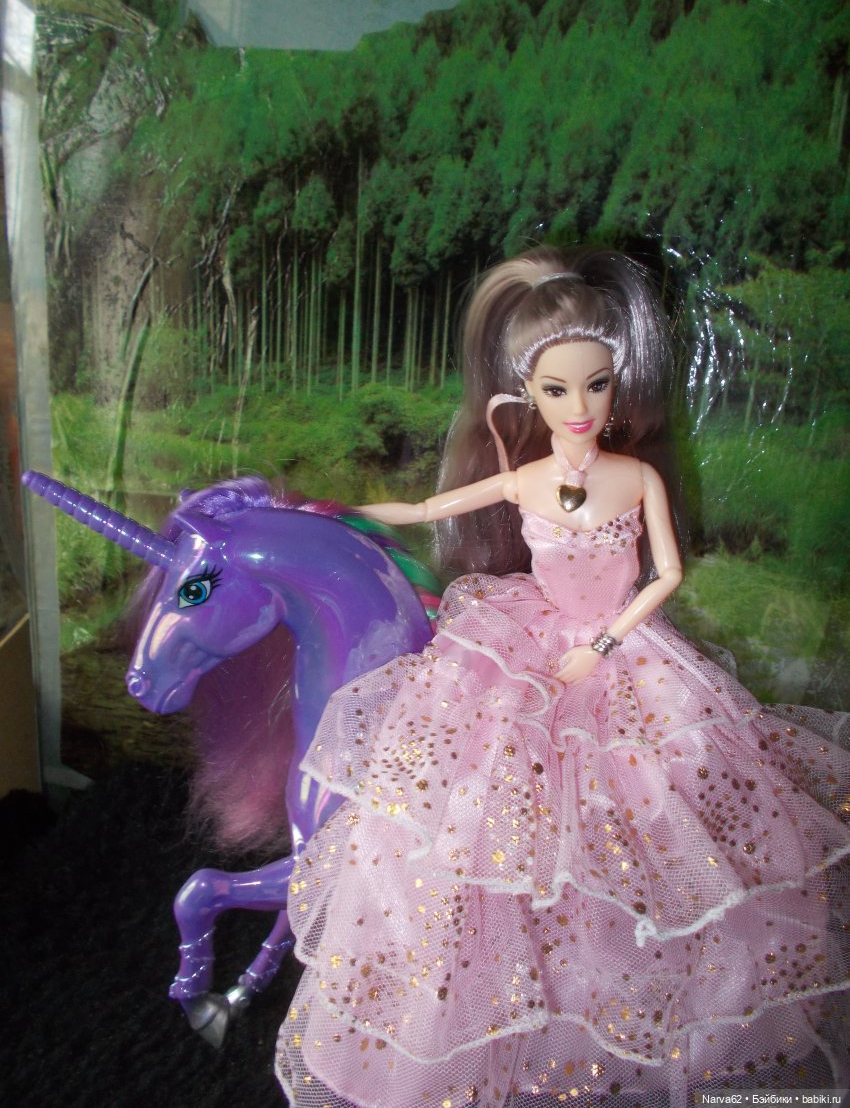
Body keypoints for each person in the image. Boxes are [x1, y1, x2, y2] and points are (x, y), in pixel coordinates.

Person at [276, 247, 850, 1107]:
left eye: (597, 385)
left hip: (624, 657)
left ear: (617, 386)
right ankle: (494, 1018)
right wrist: (337, 515)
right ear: (527, 396)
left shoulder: (637, 477)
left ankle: (641, 1009)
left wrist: (606, 644)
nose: (580, 408)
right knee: (494, 820)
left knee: (649, 823)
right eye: (557, 390)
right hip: (524, 652)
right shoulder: (523, 479)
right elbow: (427, 509)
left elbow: (666, 575)